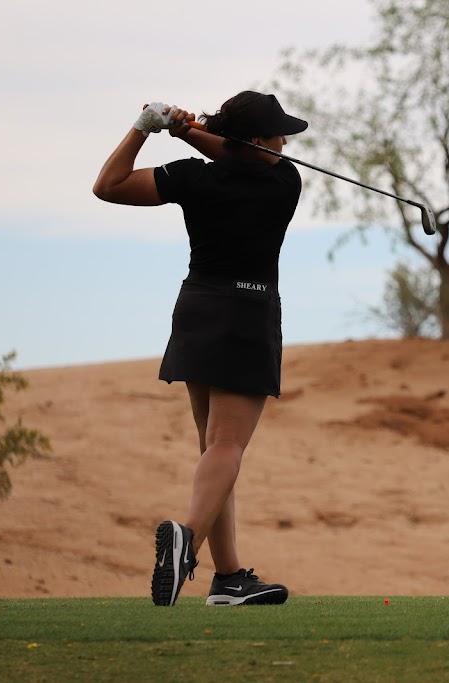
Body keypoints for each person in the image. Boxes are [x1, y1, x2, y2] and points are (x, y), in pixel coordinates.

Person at [93, 91, 307, 607]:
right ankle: (186, 541)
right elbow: (240, 156)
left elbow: (108, 186)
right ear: (257, 141)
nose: (285, 144)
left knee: (215, 451)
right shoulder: (284, 182)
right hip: (247, 314)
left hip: (197, 311)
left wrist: (148, 128)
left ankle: (229, 578)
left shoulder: (193, 177)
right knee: (227, 448)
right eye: (278, 135)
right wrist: (187, 130)